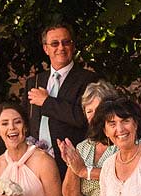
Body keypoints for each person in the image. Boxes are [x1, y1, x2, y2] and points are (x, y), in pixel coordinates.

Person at [27, 23, 94, 151]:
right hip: (36, 158)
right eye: (54, 44)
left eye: (66, 42)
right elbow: (28, 121)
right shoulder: (34, 82)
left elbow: (83, 118)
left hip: (71, 159)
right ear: (46, 49)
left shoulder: (89, 80)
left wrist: (47, 102)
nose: (61, 47)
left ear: (73, 46)